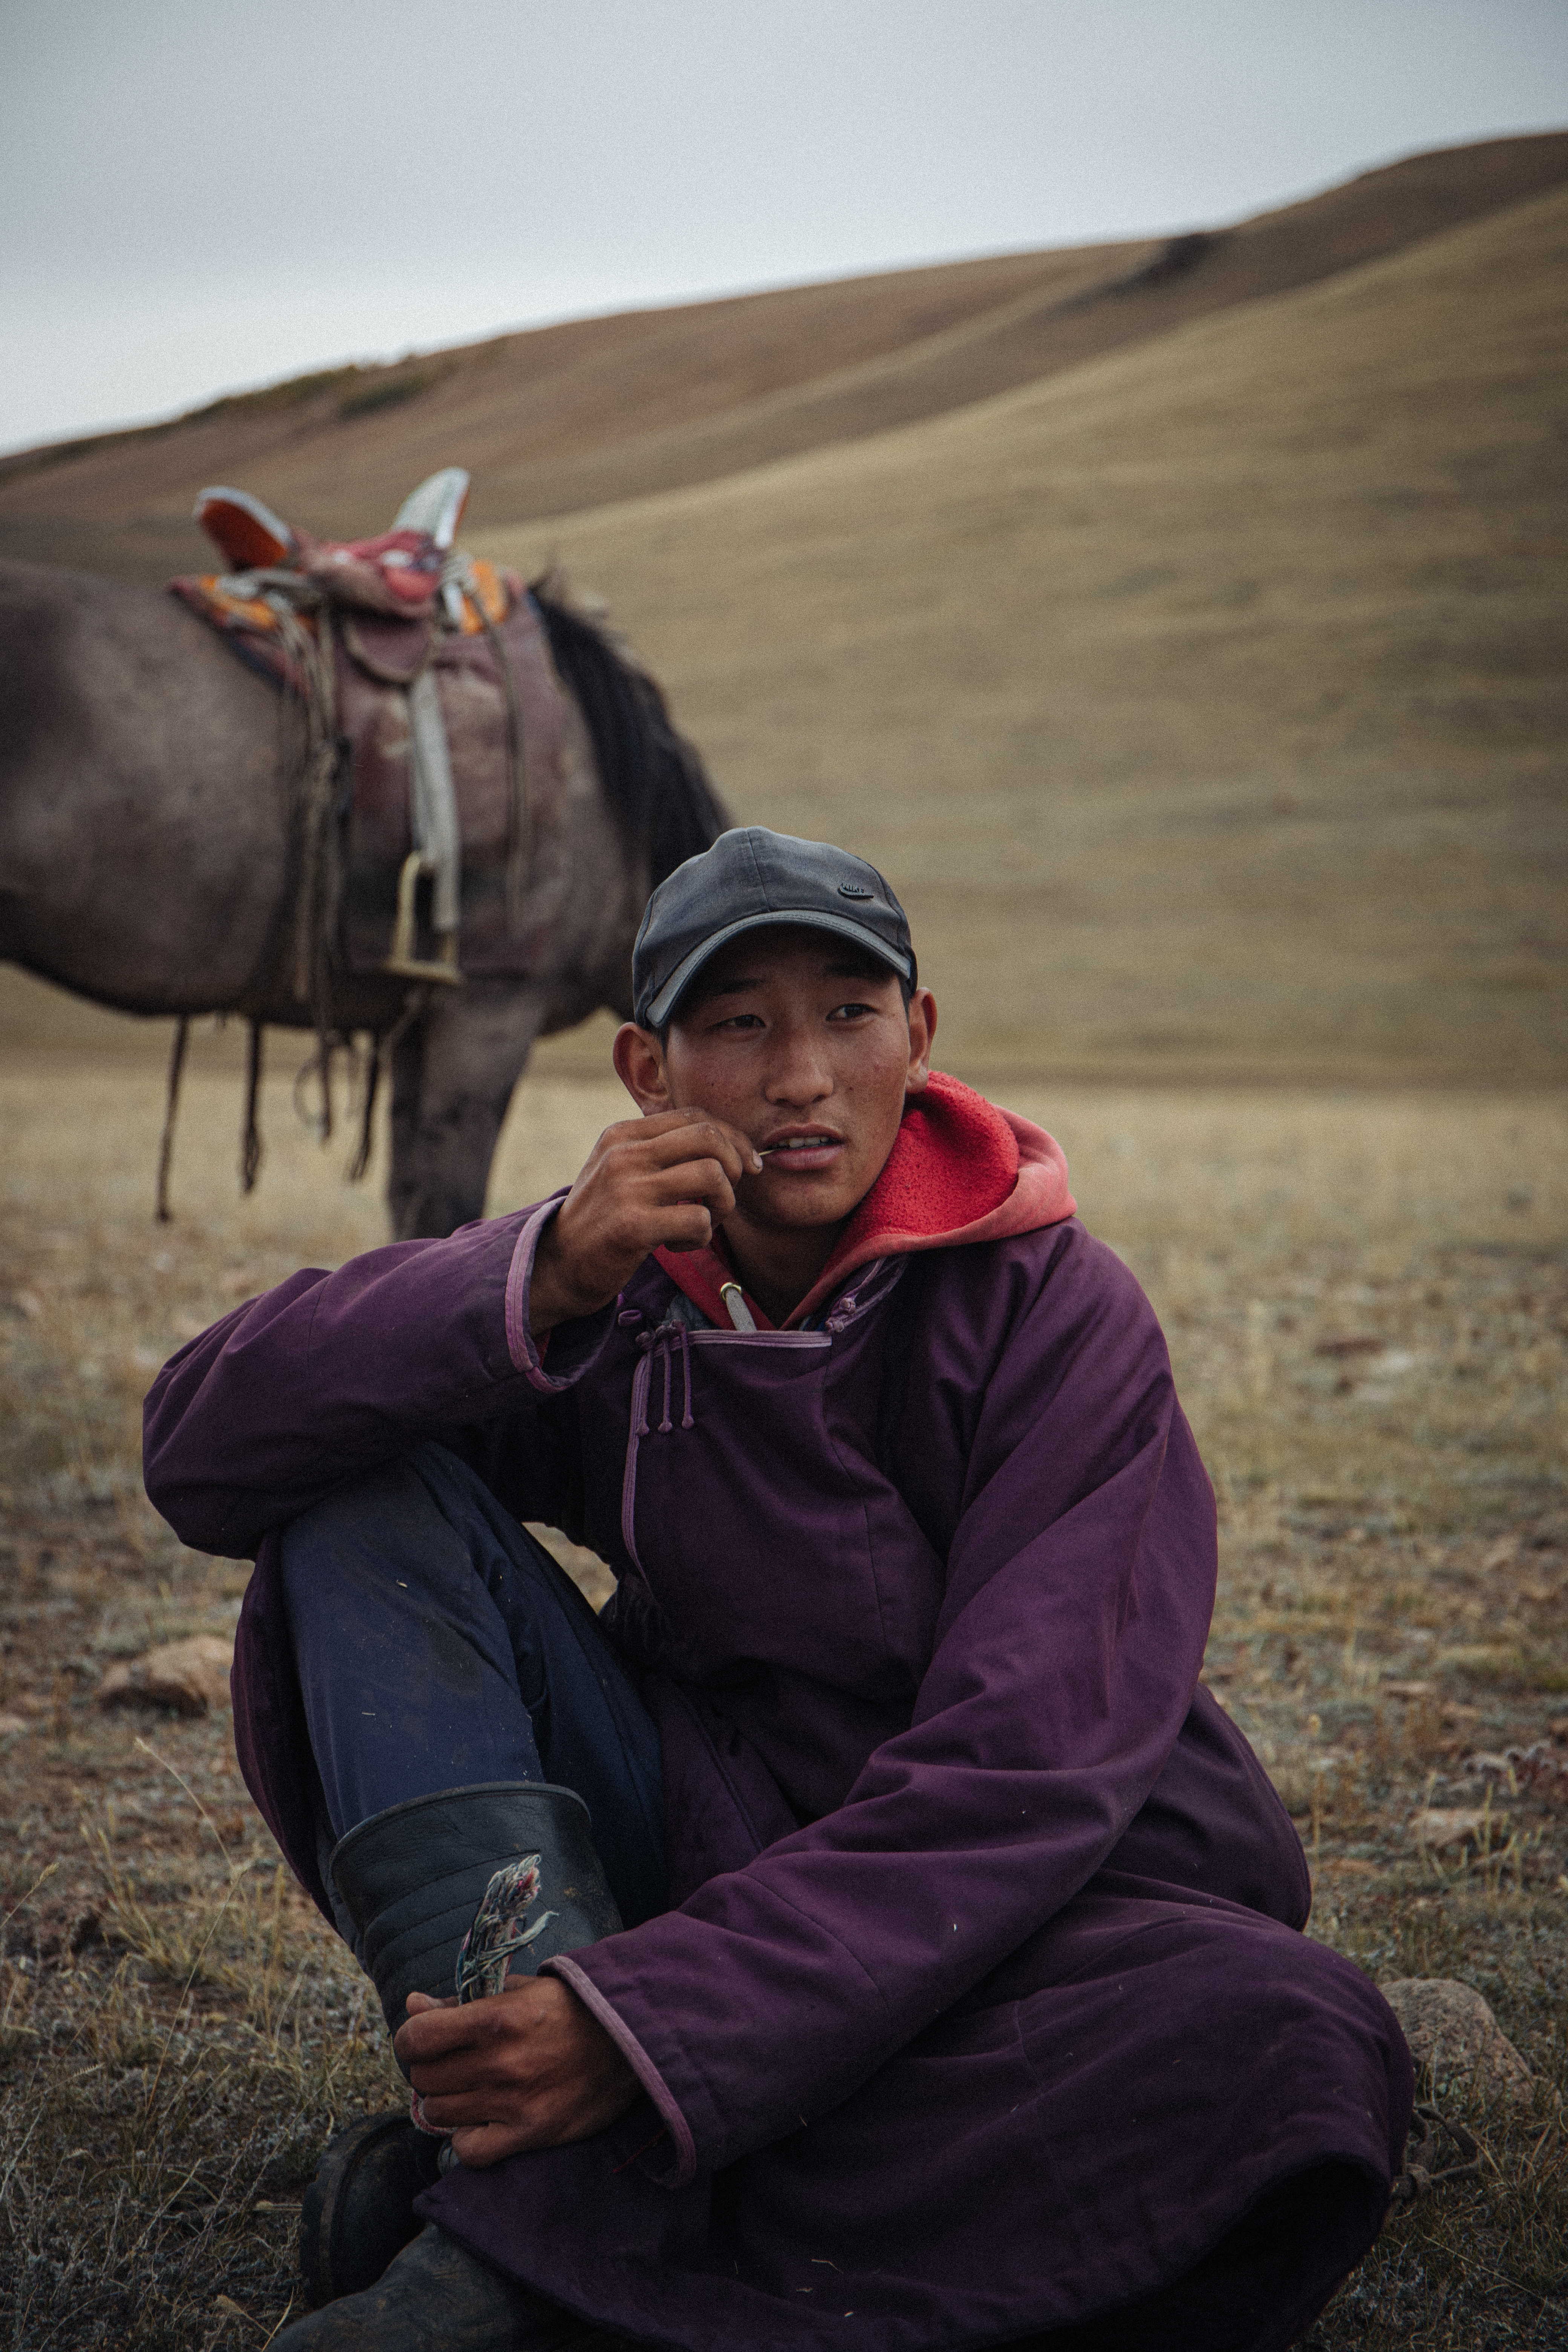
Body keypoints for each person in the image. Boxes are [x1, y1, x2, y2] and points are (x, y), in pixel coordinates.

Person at [144, 828, 1412, 2352]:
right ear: (647, 1070)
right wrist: (535, 1270)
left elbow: (1023, 1769)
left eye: (846, 1015)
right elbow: (206, 1453)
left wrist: (649, 2024)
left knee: (1289, 2040)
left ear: (918, 1037)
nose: (799, 1074)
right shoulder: (608, 1293)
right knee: (355, 1489)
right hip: (704, 1842)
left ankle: (522, 2228)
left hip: (1026, 1911)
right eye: (736, 1023)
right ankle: (526, 2117)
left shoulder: (1053, 1312)